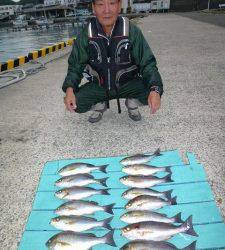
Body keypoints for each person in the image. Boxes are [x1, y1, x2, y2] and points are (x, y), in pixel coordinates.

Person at [63, 0, 163, 123]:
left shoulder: (131, 30)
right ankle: (100, 104)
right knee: (75, 102)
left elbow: (147, 63)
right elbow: (75, 66)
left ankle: (132, 102)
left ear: (119, 5)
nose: (106, 10)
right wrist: (69, 89)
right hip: (99, 86)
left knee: (154, 90)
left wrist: (155, 90)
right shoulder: (86, 34)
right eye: (100, 4)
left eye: (112, 3)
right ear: (93, 7)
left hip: (128, 84)